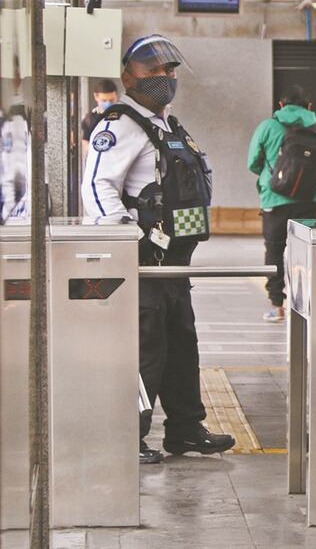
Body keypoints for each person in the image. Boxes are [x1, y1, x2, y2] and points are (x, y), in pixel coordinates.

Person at [82, 34, 235, 464]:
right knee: (145, 350)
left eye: (169, 71)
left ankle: (185, 430)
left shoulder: (169, 125)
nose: (165, 77)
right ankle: (126, 435)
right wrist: (126, 240)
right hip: (144, 260)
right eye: (154, 71)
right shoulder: (120, 125)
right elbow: (97, 186)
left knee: (182, 345)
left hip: (174, 263)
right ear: (129, 77)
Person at [247, 85, 316, 321]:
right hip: (310, 199)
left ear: (281, 105)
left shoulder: (268, 126)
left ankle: (277, 305)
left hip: (275, 199)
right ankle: (304, 304)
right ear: (309, 106)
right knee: (304, 250)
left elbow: (252, 162)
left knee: (274, 250)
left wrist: (272, 175)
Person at [81, 79, 120, 156]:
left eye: (112, 100)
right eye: (104, 100)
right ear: (96, 96)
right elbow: (85, 144)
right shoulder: (89, 119)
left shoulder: (124, 117)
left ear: (116, 96)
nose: (108, 104)